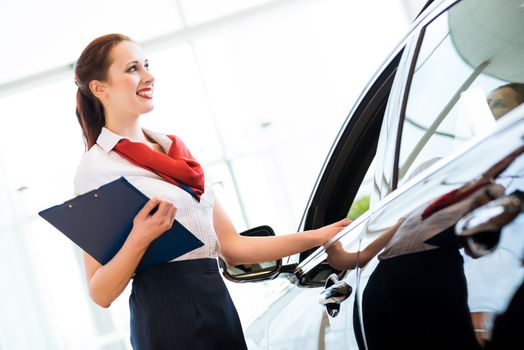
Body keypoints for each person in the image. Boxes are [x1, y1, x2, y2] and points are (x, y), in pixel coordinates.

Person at [73, 33, 351, 350]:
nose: (149, 76)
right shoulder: (97, 169)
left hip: (217, 303)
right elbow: (101, 292)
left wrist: (319, 236)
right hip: (165, 317)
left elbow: (232, 247)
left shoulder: (178, 153)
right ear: (99, 88)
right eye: (133, 68)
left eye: (147, 65)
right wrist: (140, 237)